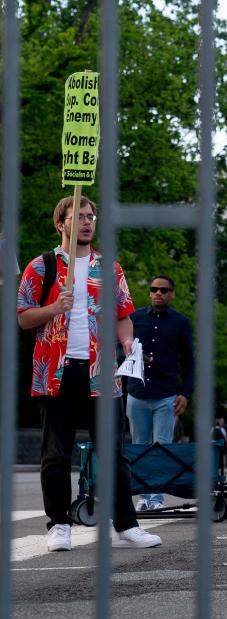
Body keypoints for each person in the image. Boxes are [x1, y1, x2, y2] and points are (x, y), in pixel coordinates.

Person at [17, 195, 161, 551]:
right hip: (55, 372)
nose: (87, 222)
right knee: (56, 454)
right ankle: (59, 525)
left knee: (114, 453)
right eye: (79, 216)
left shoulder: (108, 267)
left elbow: (122, 316)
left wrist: (128, 343)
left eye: (91, 216)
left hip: (102, 373)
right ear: (60, 223)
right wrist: (54, 307)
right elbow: (23, 318)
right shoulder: (41, 267)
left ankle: (126, 525)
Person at [126, 274, 195, 511]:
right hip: (137, 393)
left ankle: (156, 499)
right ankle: (143, 496)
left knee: (162, 447)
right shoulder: (133, 319)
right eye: (154, 289)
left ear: (172, 293)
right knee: (139, 447)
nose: (158, 293)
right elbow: (118, 350)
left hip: (166, 395)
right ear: (149, 292)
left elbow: (188, 361)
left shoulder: (180, 322)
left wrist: (186, 393)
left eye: (164, 290)